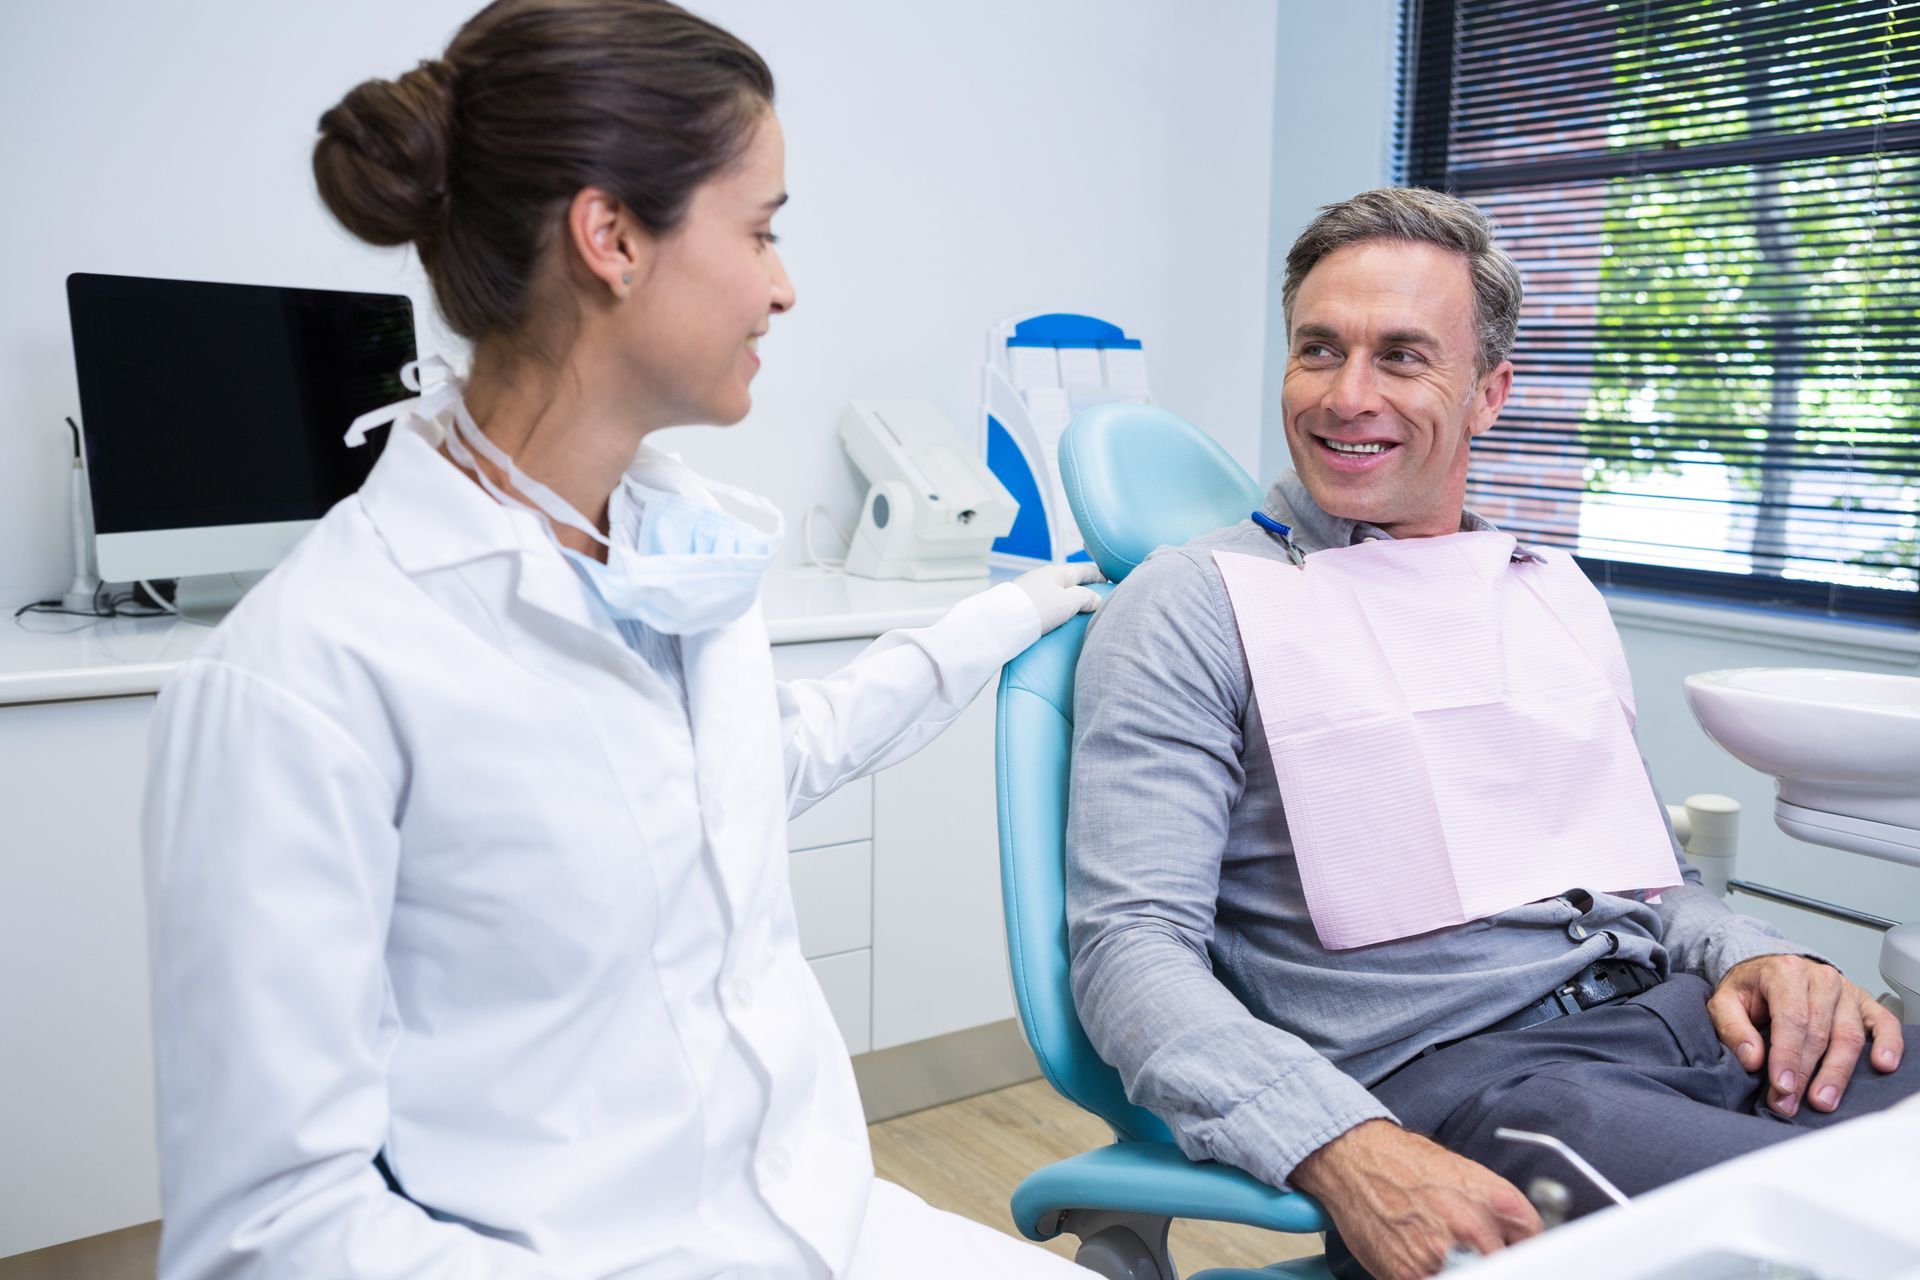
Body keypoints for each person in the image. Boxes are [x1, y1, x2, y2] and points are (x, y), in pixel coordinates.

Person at [141, 3, 1099, 1276]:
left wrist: (1014, 608)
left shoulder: (668, 551)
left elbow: (754, 764)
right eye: (760, 228)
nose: (783, 282)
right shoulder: (308, 673)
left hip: (826, 1222)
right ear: (612, 239)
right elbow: (270, 1233)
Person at [1064, 186, 1919, 1280]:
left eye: (1404, 356)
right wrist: (1346, 1145)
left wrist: (1764, 955)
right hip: (1489, 1084)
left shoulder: (1542, 591)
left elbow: (1645, 885)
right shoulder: (1194, 603)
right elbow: (1130, 951)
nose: (1347, 394)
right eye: (1317, 349)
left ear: (1488, 391)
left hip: (1697, 1021)